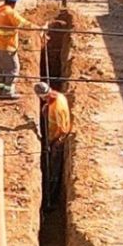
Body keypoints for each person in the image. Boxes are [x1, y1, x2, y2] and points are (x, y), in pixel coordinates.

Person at [0, 0, 31, 98]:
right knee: (13, 69)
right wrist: (40, 28)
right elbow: (25, 24)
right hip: (7, 46)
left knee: (1, 68)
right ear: (15, 1)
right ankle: (7, 92)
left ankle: (0, 91)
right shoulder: (10, 13)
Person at [36, 81, 72, 209]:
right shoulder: (59, 97)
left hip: (58, 140)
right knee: (51, 166)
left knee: (54, 169)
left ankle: (51, 197)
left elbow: (61, 129)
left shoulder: (56, 108)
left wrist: (52, 143)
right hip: (55, 136)